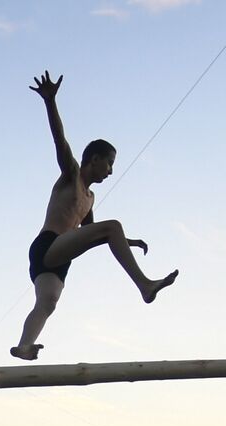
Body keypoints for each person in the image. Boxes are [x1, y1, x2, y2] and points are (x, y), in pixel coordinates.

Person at [12, 71, 177, 361]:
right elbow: (59, 140)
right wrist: (50, 102)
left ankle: (24, 346)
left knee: (47, 303)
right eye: (109, 164)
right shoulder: (71, 176)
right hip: (48, 245)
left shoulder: (89, 198)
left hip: (59, 260)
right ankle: (145, 285)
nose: (111, 171)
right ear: (95, 159)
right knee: (113, 226)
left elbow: (93, 234)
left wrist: (129, 241)